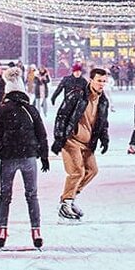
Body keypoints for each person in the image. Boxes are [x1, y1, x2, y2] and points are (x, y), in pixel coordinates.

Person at [0, 68, 49, 249]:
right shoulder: (30, 109)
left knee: (4, 196)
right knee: (32, 195)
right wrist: (44, 156)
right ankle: (36, 230)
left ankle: (2, 229)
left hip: (7, 158)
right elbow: (42, 134)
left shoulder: (2, 110)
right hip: (29, 157)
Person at [51, 67, 110, 220]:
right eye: (99, 81)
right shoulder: (78, 95)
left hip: (88, 143)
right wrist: (59, 138)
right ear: (91, 80)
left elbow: (103, 122)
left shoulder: (103, 100)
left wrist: (104, 137)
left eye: (104, 81)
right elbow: (62, 116)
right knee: (77, 172)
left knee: (92, 171)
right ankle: (66, 204)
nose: (101, 84)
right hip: (71, 140)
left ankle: (69, 198)